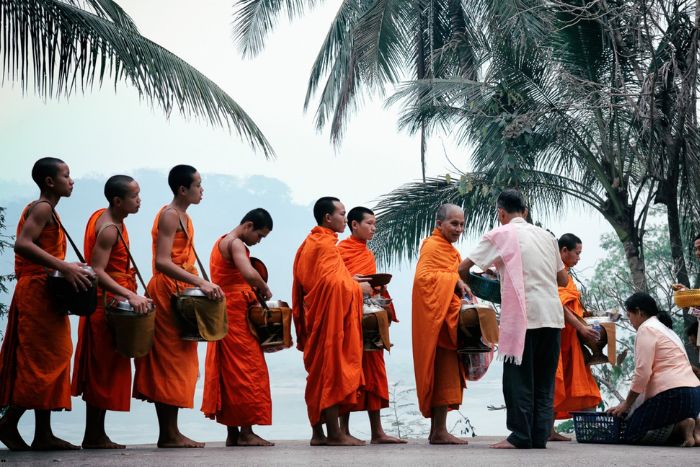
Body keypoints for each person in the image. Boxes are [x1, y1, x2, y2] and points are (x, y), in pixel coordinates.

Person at [459, 189, 568, 449]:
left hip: (523, 317)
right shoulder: (547, 236)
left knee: (518, 378)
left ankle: (520, 436)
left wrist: (486, 282)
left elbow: (463, 269)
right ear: (526, 212)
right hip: (552, 316)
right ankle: (539, 435)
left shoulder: (500, 234)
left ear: (501, 213)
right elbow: (562, 279)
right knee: (543, 379)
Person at [0, 157, 93, 451]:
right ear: (50, 182)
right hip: (36, 292)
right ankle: (7, 424)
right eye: (66, 175)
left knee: (54, 356)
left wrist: (67, 266)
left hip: (45, 291)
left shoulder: (49, 210)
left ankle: (43, 434)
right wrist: (64, 268)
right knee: (40, 360)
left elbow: (41, 249)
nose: (72, 180)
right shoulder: (41, 207)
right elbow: (23, 244)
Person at [132, 165, 223, 448]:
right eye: (197, 185)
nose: (201, 189)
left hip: (182, 292)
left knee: (182, 360)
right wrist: (201, 282)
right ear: (183, 189)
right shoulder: (170, 215)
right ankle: (169, 434)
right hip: (165, 290)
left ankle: (171, 432)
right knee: (169, 361)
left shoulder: (185, 216)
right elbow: (162, 261)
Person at [71, 175, 152, 449]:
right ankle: (94, 435)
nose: (139, 200)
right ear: (118, 201)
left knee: (104, 369)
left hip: (111, 300)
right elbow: (97, 271)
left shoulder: (108, 218)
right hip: (106, 304)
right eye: (135, 196)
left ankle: (96, 433)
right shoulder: (107, 228)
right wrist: (129, 294)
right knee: (102, 370)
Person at [292, 197, 372, 446]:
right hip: (327, 319)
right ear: (328, 218)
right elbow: (331, 285)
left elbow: (329, 279)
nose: (344, 219)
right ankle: (335, 434)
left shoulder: (313, 242)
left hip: (319, 315)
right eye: (342, 214)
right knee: (330, 372)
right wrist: (360, 290)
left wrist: (351, 280)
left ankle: (319, 434)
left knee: (319, 374)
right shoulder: (324, 244)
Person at [201, 208, 275, 447]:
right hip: (236, 314)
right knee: (248, 370)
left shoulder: (220, 242)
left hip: (224, 313)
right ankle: (246, 431)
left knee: (230, 371)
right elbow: (247, 273)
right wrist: (263, 286)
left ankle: (233, 433)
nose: (259, 241)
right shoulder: (235, 244)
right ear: (248, 226)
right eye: (260, 236)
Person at [337, 207, 405, 444]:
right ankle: (342, 430)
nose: (373, 228)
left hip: (371, 316)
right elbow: (337, 284)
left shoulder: (367, 253)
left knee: (375, 373)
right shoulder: (340, 252)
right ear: (354, 225)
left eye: (375, 224)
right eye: (369, 223)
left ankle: (377, 432)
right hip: (350, 318)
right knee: (349, 373)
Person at [608, 292, 700, 446]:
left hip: (673, 395)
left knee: (632, 434)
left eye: (629, 315)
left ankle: (681, 427)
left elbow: (642, 374)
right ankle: (693, 427)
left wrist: (626, 405)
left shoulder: (646, 328)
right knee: (641, 421)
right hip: (694, 396)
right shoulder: (667, 330)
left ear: (639, 312)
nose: (629, 320)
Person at [412, 203, 469, 445]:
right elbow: (423, 279)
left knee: (447, 374)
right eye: (454, 224)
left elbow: (453, 275)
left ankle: (439, 430)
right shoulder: (433, 246)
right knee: (441, 373)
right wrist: (453, 281)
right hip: (436, 320)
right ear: (439, 224)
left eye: (462, 225)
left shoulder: (450, 250)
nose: (458, 229)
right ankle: (438, 431)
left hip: (448, 316)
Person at [550, 233, 602, 441]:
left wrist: (584, 317)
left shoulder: (567, 275)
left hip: (570, 338)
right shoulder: (556, 273)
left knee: (565, 380)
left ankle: (549, 430)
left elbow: (570, 306)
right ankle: (548, 430)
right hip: (561, 335)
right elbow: (557, 304)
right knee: (556, 379)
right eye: (577, 253)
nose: (579, 258)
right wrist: (580, 327)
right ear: (564, 251)